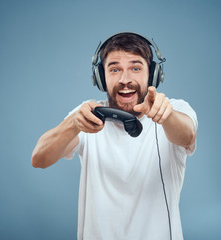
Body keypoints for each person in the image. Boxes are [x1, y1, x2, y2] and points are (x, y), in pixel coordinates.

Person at [31, 32, 198, 240]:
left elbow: (187, 136)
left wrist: (167, 116)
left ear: (153, 75)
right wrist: (73, 124)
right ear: (101, 78)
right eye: (115, 69)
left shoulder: (174, 110)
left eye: (136, 68)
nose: (125, 79)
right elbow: (39, 159)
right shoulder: (87, 114)